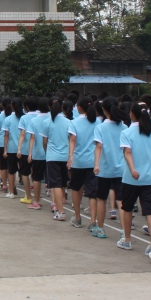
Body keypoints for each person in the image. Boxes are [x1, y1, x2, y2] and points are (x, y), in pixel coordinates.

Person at [118, 102, 151, 253]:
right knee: (150, 211)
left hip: (131, 177)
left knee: (128, 208)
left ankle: (127, 239)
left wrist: (133, 169)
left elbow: (127, 152)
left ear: (132, 114)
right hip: (149, 177)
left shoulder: (127, 133)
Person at [42, 99, 76, 222]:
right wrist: (71, 155)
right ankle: (61, 207)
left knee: (55, 184)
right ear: (62, 106)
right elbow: (72, 139)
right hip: (65, 156)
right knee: (62, 183)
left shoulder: (47, 122)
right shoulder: (68, 122)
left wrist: (47, 152)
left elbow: (45, 142)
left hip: (52, 157)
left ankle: (60, 211)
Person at [69, 97, 99, 228]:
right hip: (93, 162)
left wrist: (70, 157)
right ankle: (93, 221)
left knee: (76, 189)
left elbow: (72, 140)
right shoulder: (98, 122)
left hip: (78, 161)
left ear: (80, 107)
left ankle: (77, 218)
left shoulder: (74, 122)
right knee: (92, 193)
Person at [25, 98, 51, 210]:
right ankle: (55, 203)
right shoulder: (52, 118)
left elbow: (32, 138)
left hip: (38, 153)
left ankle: (36, 201)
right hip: (51, 153)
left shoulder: (34, 121)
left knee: (37, 178)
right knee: (52, 178)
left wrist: (30, 153)